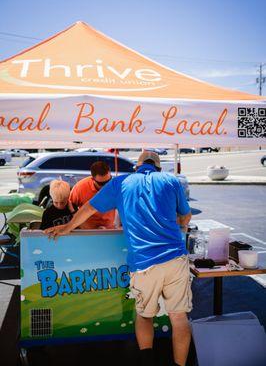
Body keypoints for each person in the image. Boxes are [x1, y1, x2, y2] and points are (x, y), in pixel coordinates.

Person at [44, 151, 192, 366]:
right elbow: (185, 215)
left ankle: (147, 361)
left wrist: (68, 227)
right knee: (179, 318)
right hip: (176, 259)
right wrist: (180, 223)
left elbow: (88, 208)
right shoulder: (171, 180)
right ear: (158, 168)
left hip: (143, 263)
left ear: (137, 166)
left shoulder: (121, 183)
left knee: (144, 316)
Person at [69, 161, 115, 229]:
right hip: (88, 231)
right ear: (93, 179)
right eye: (101, 184)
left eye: (108, 181)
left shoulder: (115, 185)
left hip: (109, 229)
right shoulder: (80, 187)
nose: (106, 186)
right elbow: (71, 204)